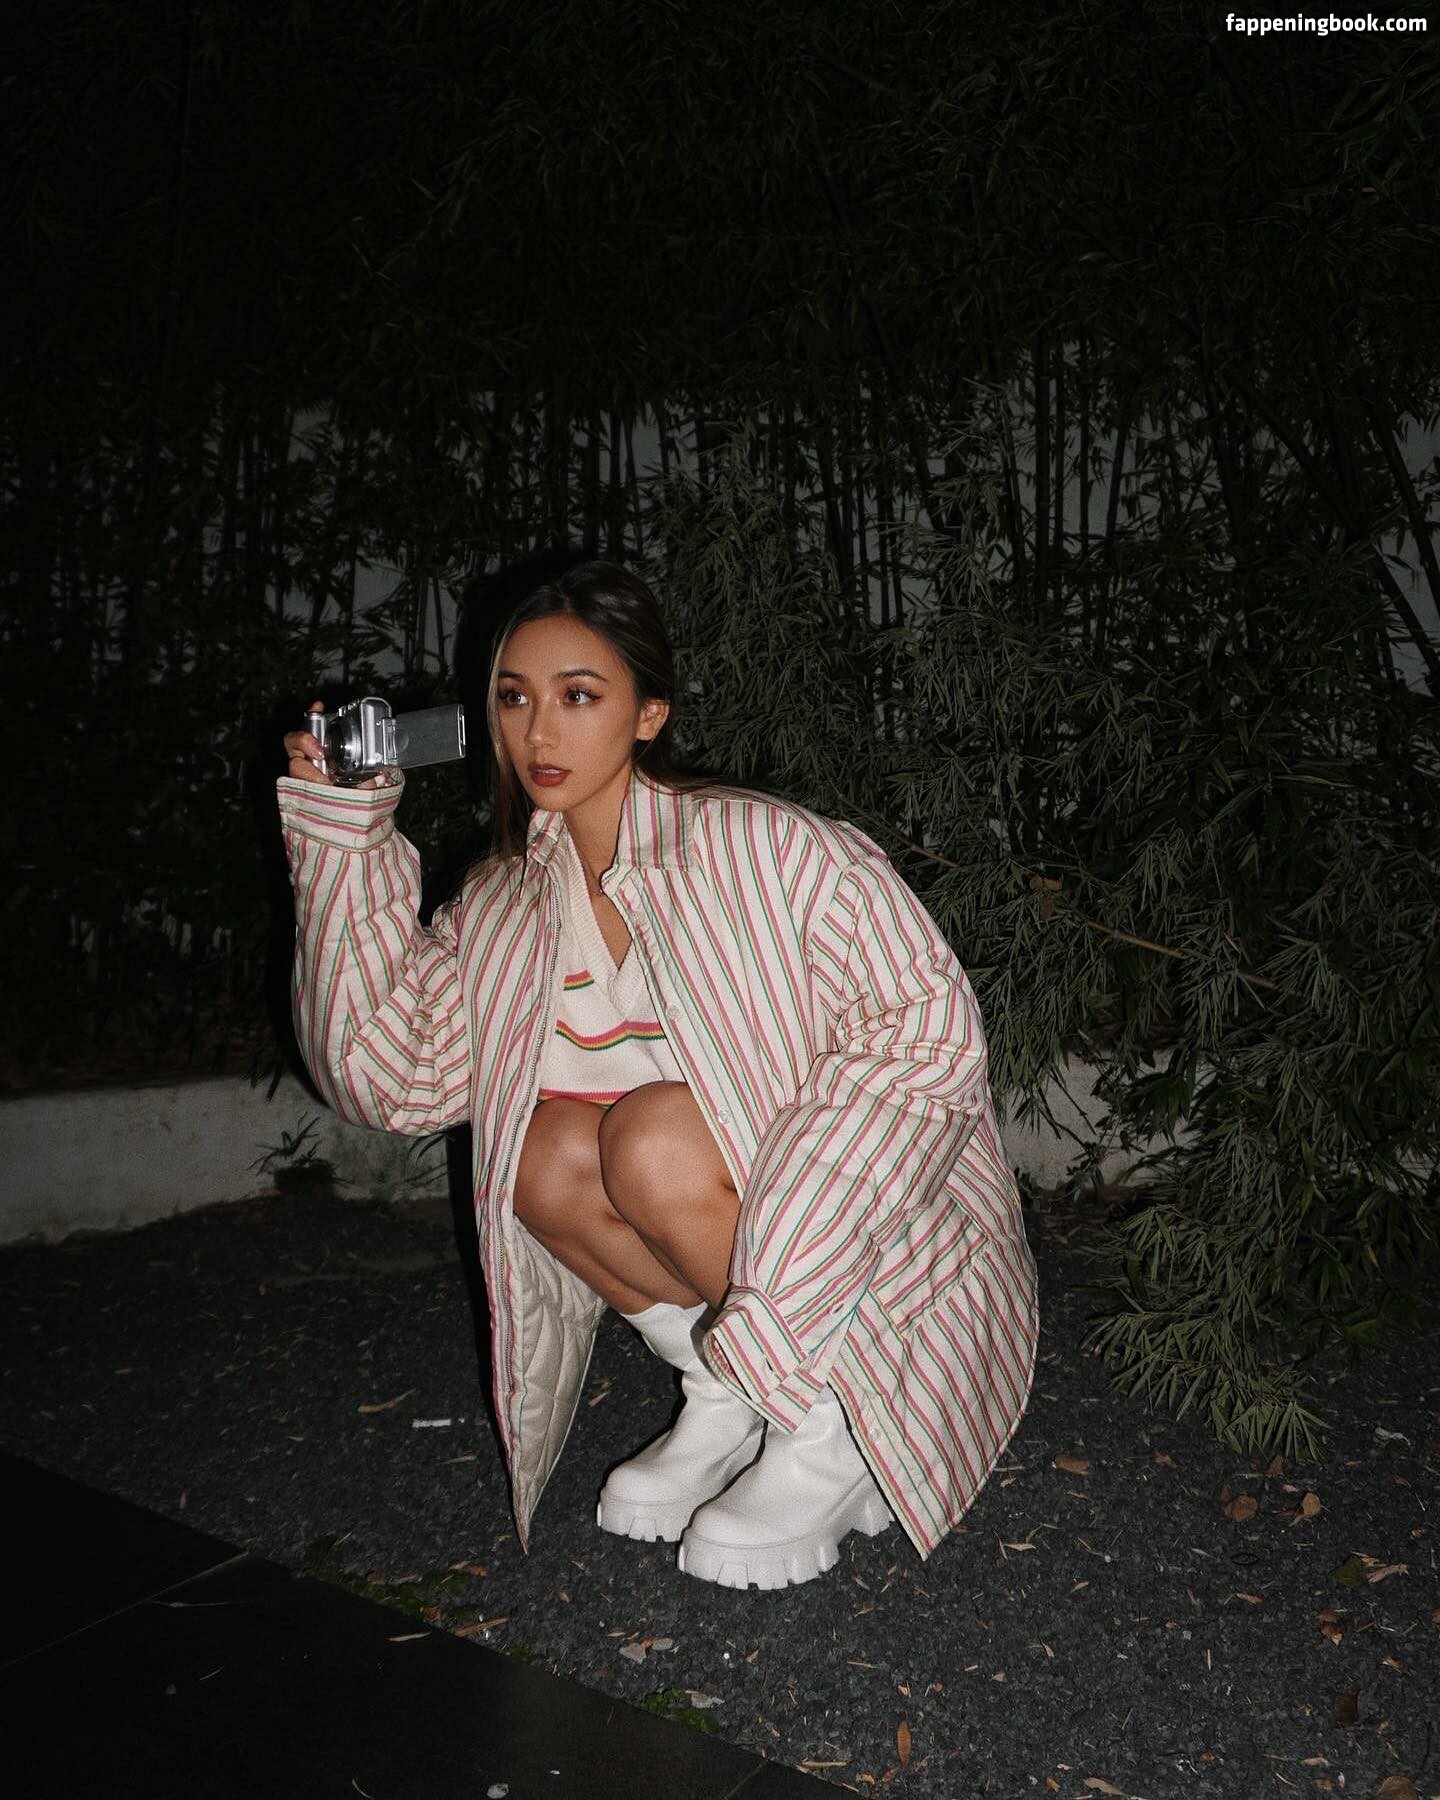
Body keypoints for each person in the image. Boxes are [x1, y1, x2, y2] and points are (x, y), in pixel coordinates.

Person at [278, 559, 1037, 1590]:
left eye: (579, 696)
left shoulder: (770, 849)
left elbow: (923, 1039)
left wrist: (798, 1276)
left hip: (875, 1244)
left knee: (652, 1139)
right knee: (539, 1154)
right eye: (515, 699)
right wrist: (343, 843)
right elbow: (392, 1077)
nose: (541, 734)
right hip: (742, 1256)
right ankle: (728, 1391)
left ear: (648, 714)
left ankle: (835, 1418)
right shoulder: (504, 904)